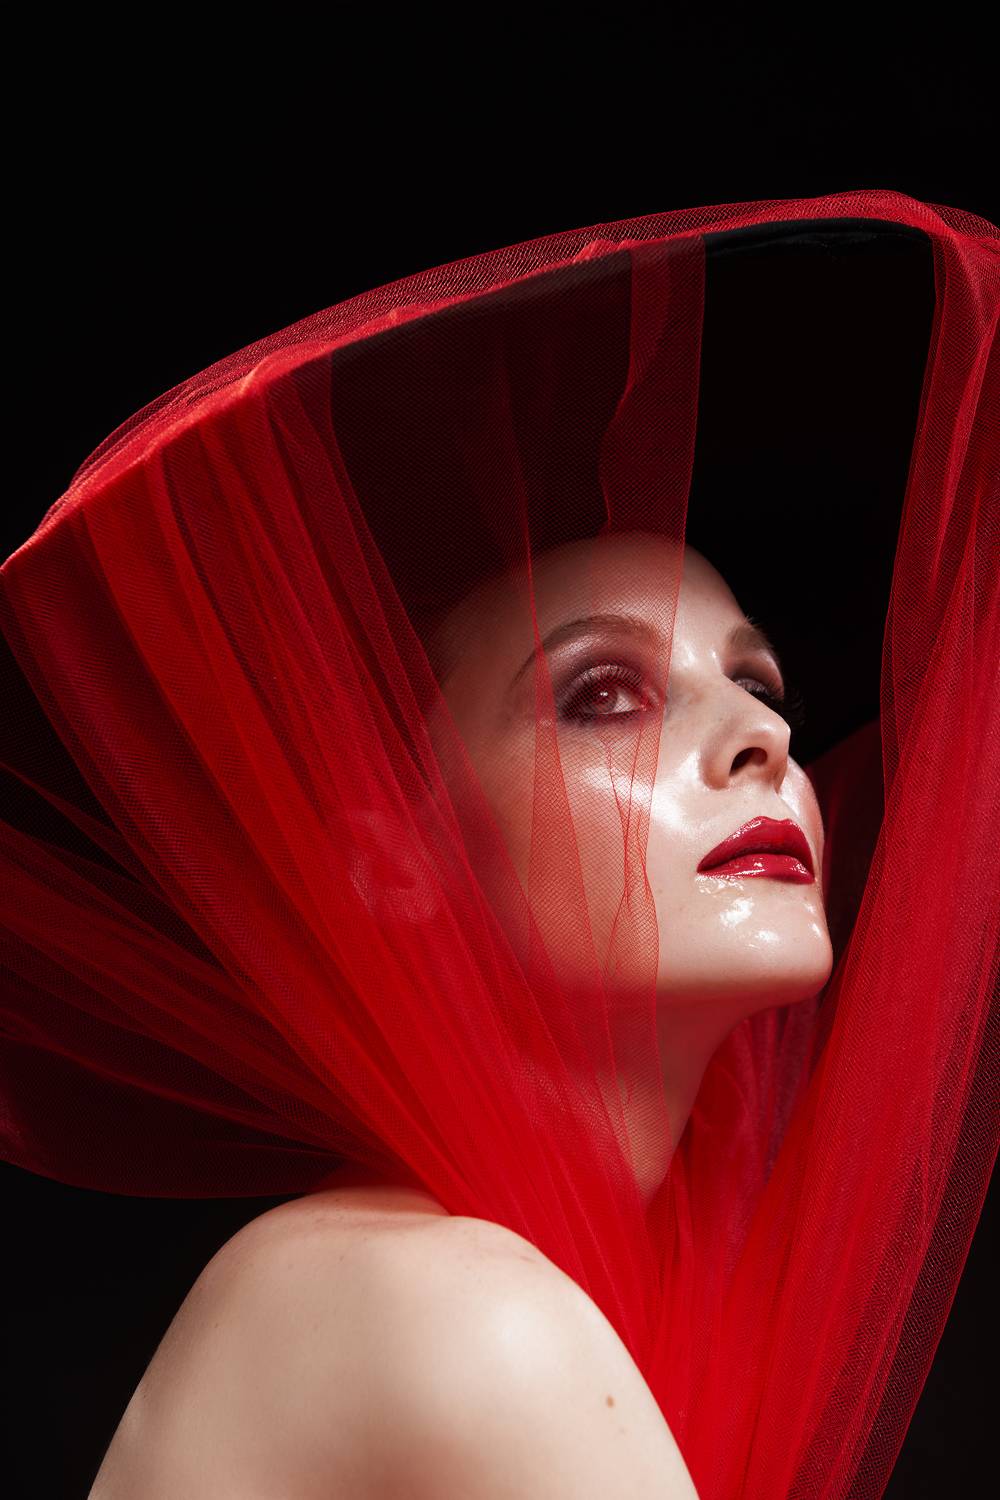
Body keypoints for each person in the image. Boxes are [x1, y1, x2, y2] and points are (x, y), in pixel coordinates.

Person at [2, 190, 996, 1499]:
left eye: (760, 686)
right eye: (604, 696)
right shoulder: (439, 1307)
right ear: (389, 857)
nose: (761, 740)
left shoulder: (508, 1287)